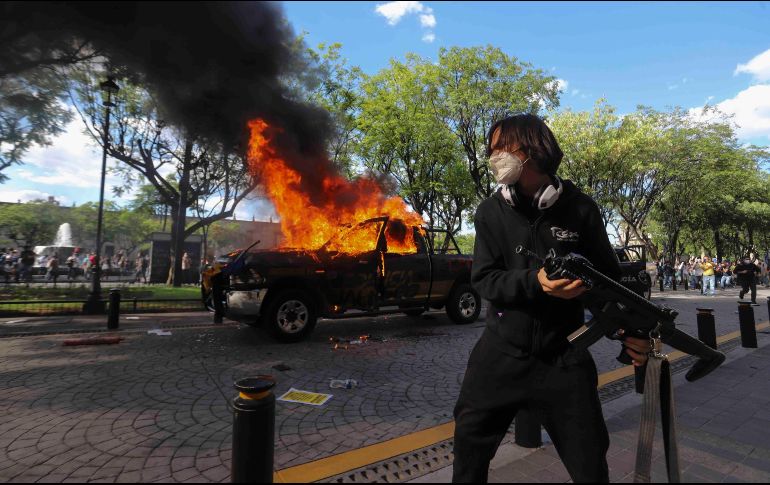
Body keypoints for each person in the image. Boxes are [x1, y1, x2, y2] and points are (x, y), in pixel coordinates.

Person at [452, 114, 651, 483]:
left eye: (502, 148)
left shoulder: (581, 209)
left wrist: (630, 331)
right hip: (499, 355)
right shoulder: (489, 212)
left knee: (591, 461)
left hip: (565, 359)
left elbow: (608, 283)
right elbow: (484, 279)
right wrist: (536, 282)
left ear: (534, 151)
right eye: (491, 149)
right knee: (468, 454)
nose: (494, 156)